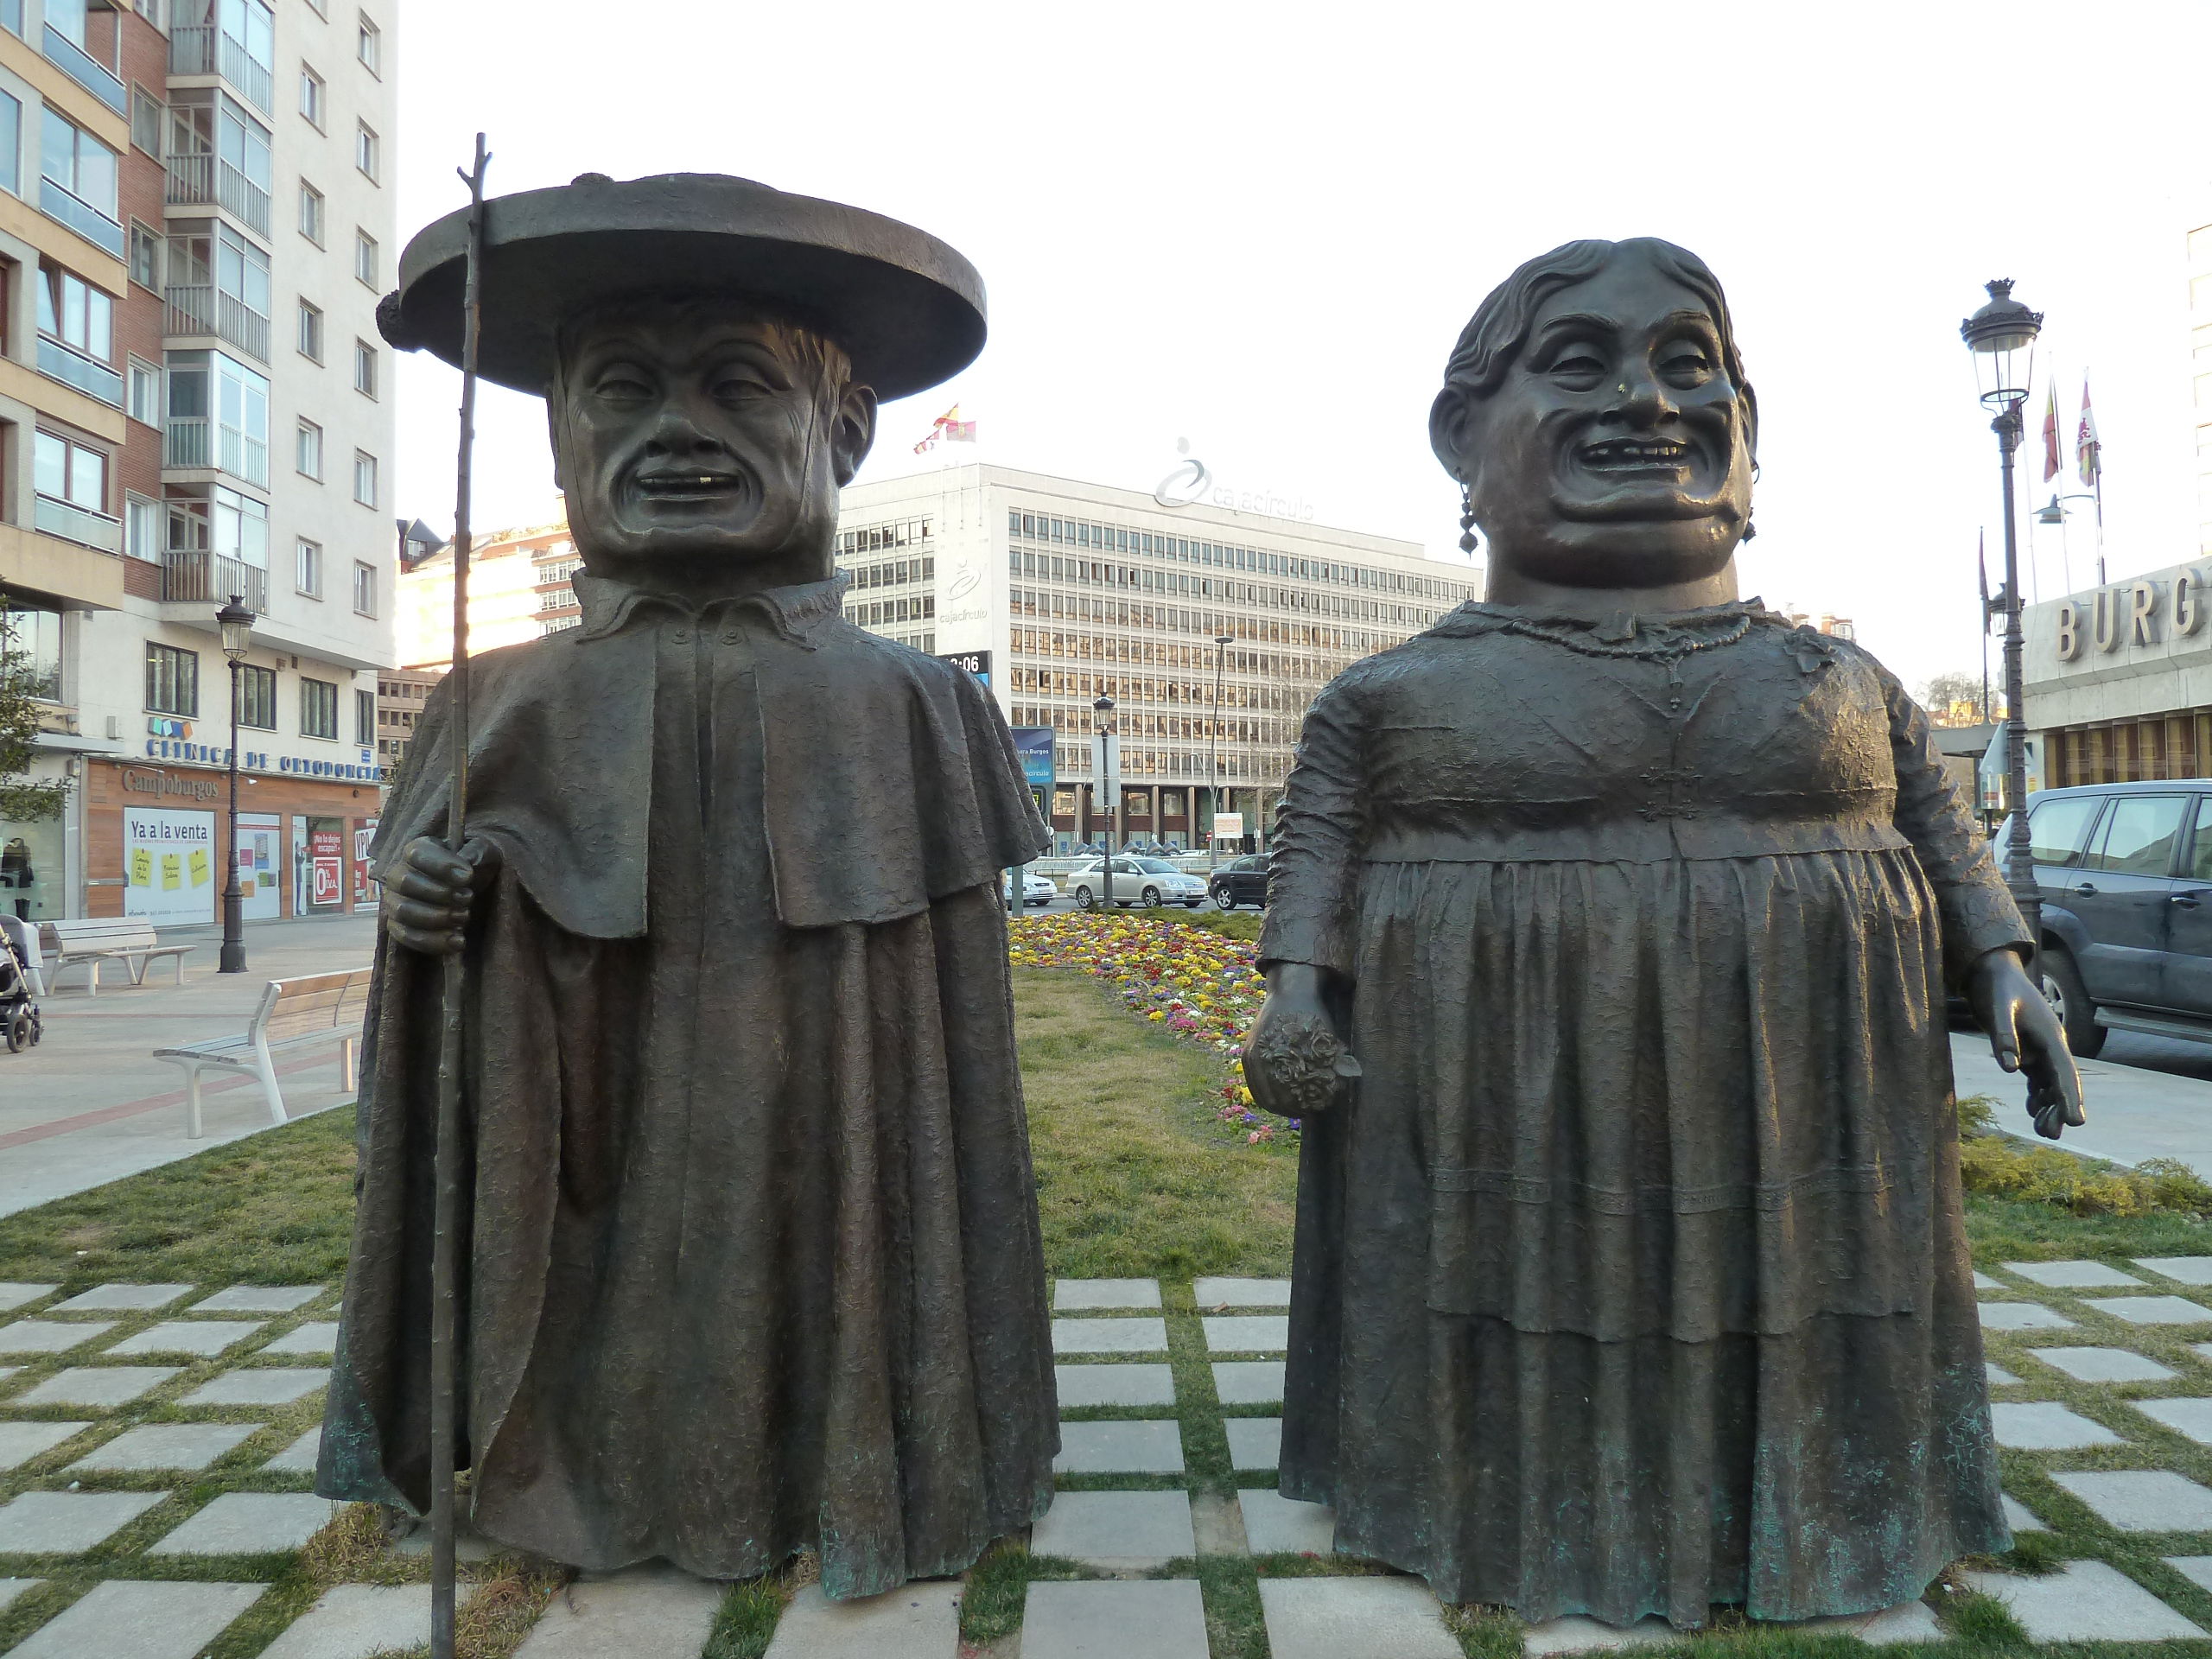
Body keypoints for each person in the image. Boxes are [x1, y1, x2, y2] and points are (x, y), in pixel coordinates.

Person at [1244, 237, 2081, 1630]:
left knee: (1806, 1289)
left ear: (1750, 438)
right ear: (1463, 433)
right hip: (1501, 1098)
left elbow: (1941, 831)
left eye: (1691, 367)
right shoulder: (1391, 697)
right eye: (1581, 364)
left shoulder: (1838, 675)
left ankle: (1819, 1502)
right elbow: (1313, 855)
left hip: (1805, 1102)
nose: (1648, 401)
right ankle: (1494, 1493)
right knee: (1501, 1292)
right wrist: (1293, 1001)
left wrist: (2005, 968)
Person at [319, 173, 1056, 1600]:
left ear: (840, 432)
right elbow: (421, 914)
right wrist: (428, 912)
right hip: (588, 1125)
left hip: (826, 1123)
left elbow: (955, 1045)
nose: (677, 434)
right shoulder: (494, 698)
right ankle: (565, 1468)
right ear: (556, 441)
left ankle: (853, 1457)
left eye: (735, 388)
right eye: (621, 393)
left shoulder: (915, 704)